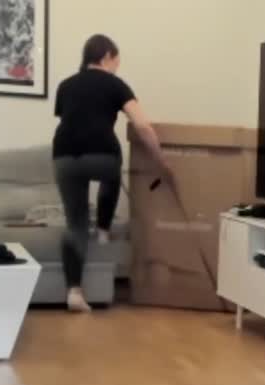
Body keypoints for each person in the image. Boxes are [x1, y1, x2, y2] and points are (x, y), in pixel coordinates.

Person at [53, 34, 173, 312]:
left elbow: (71, 121)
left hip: (63, 156)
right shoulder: (115, 84)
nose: (117, 67)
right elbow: (142, 126)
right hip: (101, 155)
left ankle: (74, 292)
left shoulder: (65, 85)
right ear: (107, 56)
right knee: (112, 169)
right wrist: (160, 160)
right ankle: (104, 229)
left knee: (75, 224)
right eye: (117, 61)